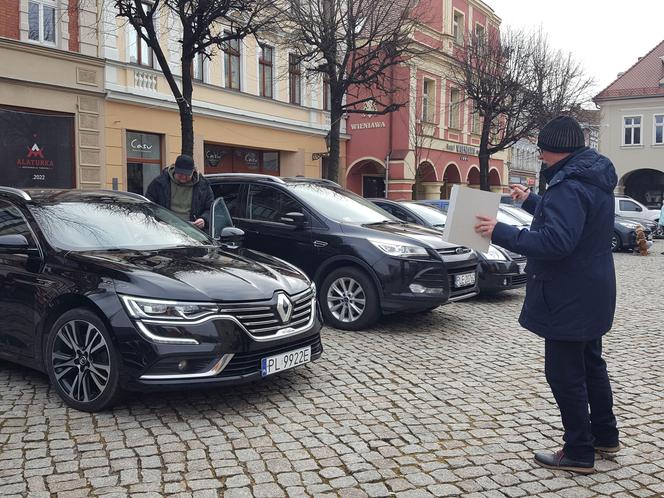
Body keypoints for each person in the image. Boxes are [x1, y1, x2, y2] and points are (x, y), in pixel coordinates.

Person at [474, 116, 620, 474]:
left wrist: (500, 232)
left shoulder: (569, 185)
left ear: (555, 149)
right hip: (592, 291)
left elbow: (556, 241)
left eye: (541, 149)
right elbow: (571, 222)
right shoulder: (592, 177)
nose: (539, 155)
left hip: (568, 297)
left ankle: (578, 451)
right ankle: (605, 435)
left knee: (564, 375)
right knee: (591, 367)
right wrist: (531, 202)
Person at [146, 154, 214, 230]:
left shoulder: (203, 186)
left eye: (187, 174)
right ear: (174, 169)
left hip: (193, 230)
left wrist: (204, 219)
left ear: (193, 171)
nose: (183, 177)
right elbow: (148, 204)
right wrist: (158, 219)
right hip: (165, 229)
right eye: (180, 174)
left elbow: (210, 208)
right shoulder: (159, 183)